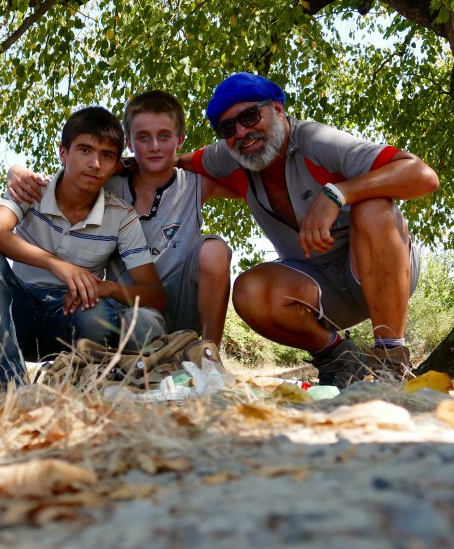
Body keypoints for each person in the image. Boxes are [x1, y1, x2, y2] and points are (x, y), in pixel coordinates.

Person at [181, 72, 439, 388]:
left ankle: (390, 361)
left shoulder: (316, 140)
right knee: (249, 290)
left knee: (374, 208)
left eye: (250, 116)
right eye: (227, 127)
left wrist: (338, 193)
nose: (242, 132)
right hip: (316, 291)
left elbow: (422, 175)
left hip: (377, 273)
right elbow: (167, 161)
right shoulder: (230, 155)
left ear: (277, 109)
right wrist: (113, 167)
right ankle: (339, 357)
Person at [8, 91, 238, 346]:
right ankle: (109, 367)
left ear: (180, 139)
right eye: (143, 137)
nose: (154, 146)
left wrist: (185, 160)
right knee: (126, 323)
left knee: (214, 249)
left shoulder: (196, 185)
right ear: (128, 142)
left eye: (164, 136)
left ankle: (210, 355)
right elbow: (72, 175)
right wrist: (16, 171)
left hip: (182, 304)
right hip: (127, 311)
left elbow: (249, 178)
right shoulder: (106, 184)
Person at [0, 106, 168, 389]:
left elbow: (155, 296)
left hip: (74, 316)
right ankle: (11, 386)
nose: (95, 163)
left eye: (106, 156)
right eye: (84, 150)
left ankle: (82, 381)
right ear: (63, 153)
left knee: (95, 309)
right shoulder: (33, 189)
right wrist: (57, 265)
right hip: (19, 311)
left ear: (115, 164)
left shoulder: (121, 216)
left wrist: (106, 288)